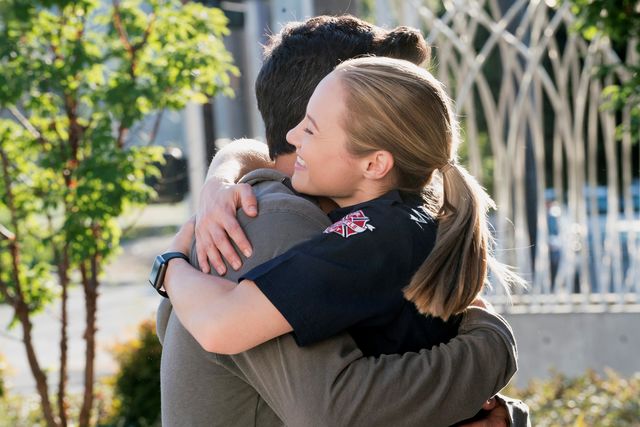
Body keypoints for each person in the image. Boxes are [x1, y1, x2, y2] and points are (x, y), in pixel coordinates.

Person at [157, 16, 529, 427]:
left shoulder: (368, 231)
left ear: (373, 160)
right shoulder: (276, 223)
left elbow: (337, 405)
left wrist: (169, 266)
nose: (296, 135)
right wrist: (490, 344)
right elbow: (336, 410)